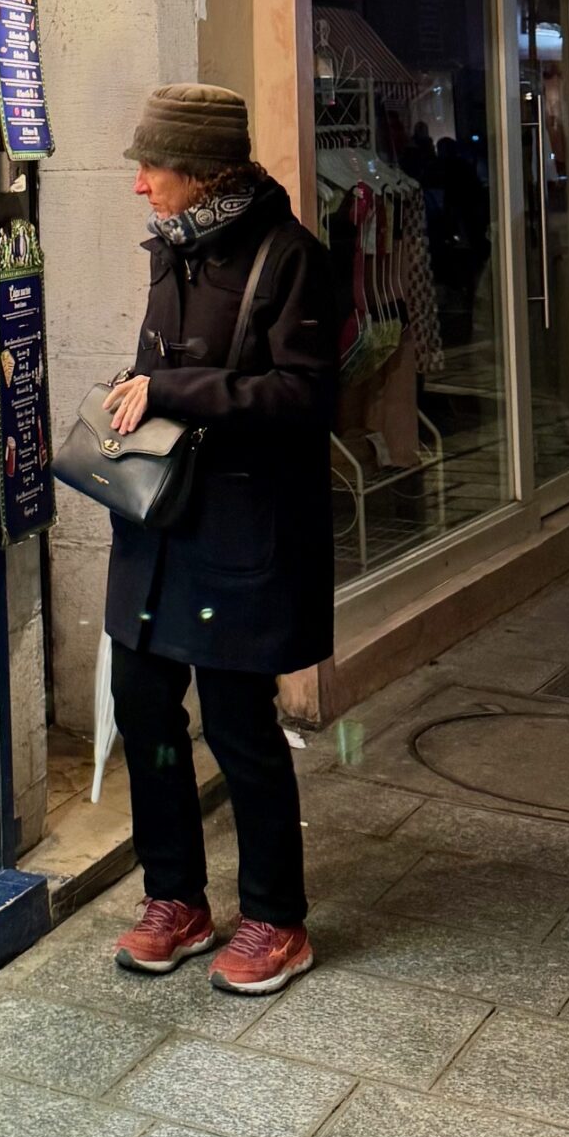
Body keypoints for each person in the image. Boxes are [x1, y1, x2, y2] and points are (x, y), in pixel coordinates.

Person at [103, 83, 338, 996]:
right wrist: (137, 388)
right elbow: (168, 370)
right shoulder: (175, 250)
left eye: (151, 167)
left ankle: (278, 919)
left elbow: (306, 399)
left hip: (239, 533)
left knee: (240, 727)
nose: (140, 187)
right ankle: (178, 900)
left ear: (201, 172)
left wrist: (174, 391)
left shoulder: (292, 258)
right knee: (143, 706)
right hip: (157, 526)